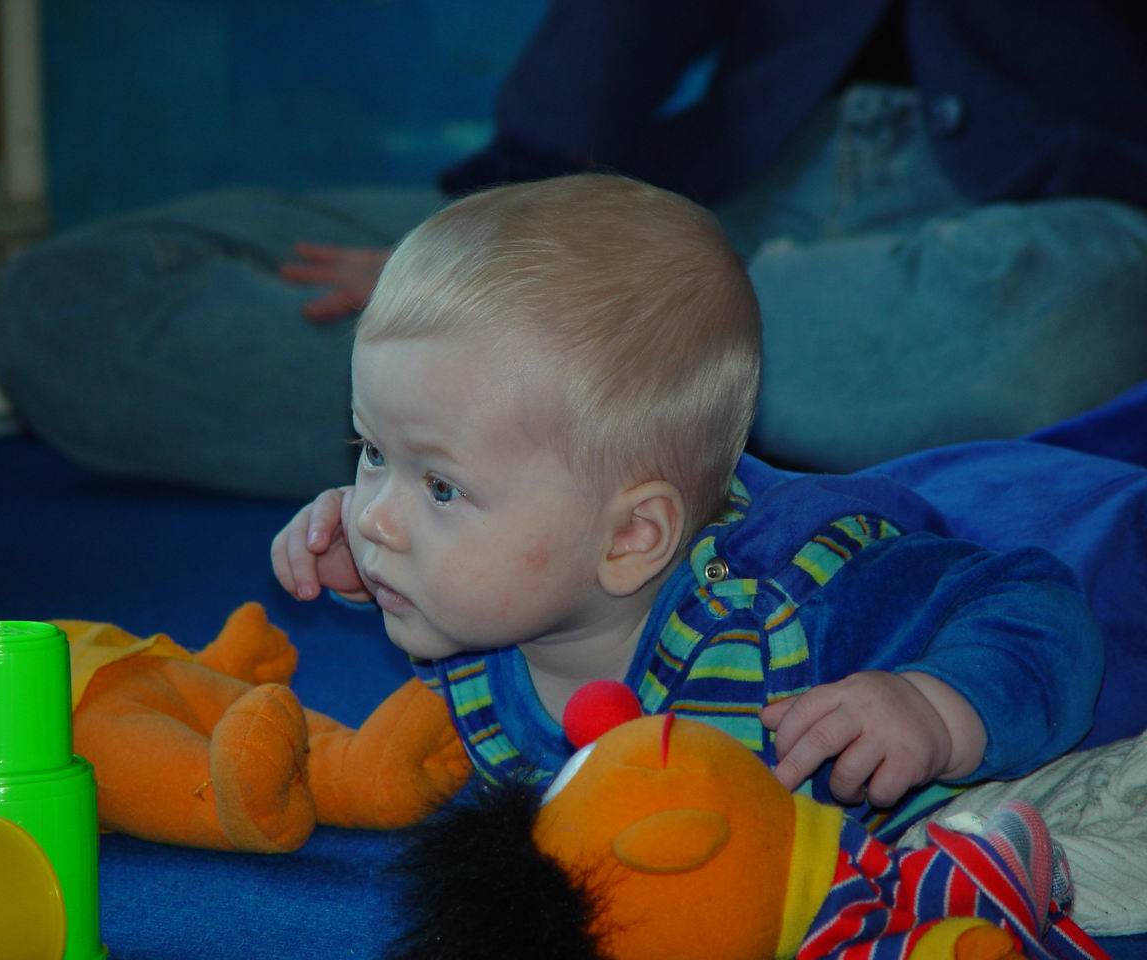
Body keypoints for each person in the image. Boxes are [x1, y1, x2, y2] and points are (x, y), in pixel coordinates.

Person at [0, 0, 1147, 498]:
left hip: (1039, 226)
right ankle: (621, 400)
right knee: (70, 300)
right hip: (695, 208)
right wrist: (511, 235)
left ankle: (538, 416)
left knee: (1075, 324)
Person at [270, 174, 1103, 839]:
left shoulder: (797, 614)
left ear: (631, 537)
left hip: (1053, 537)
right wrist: (375, 570)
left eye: (441, 487)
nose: (372, 516)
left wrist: (935, 706)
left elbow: (1036, 603)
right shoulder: (498, 594)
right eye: (372, 452)